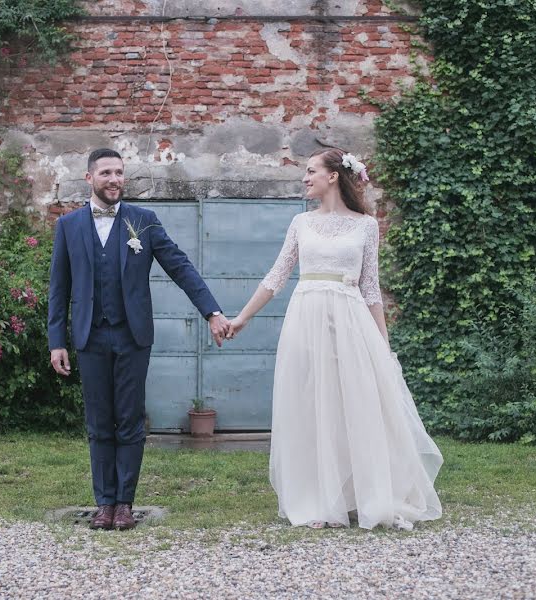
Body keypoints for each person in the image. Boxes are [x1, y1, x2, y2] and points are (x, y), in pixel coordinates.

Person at [226, 148, 443, 530]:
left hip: (351, 318)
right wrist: (242, 318)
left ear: (333, 176)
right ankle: (319, 502)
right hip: (306, 318)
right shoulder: (300, 223)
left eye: (310, 171)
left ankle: (361, 494)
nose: (304, 178)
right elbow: (277, 276)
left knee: (355, 405)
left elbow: (372, 290)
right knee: (311, 405)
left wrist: (384, 346)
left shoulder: (365, 226)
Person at [48, 148, 230, 530]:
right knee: (99, 421)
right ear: (90, 178)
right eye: (106, 173)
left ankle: (125, 503)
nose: (115, 179)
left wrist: (212, 312)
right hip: (89, 335)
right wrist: (56, 341)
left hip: (132, 336)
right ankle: (104, 503)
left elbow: (180, 266)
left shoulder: (143, 222)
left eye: (119, 173)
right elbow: (58, 288)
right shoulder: (68, 226)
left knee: (129, 420)